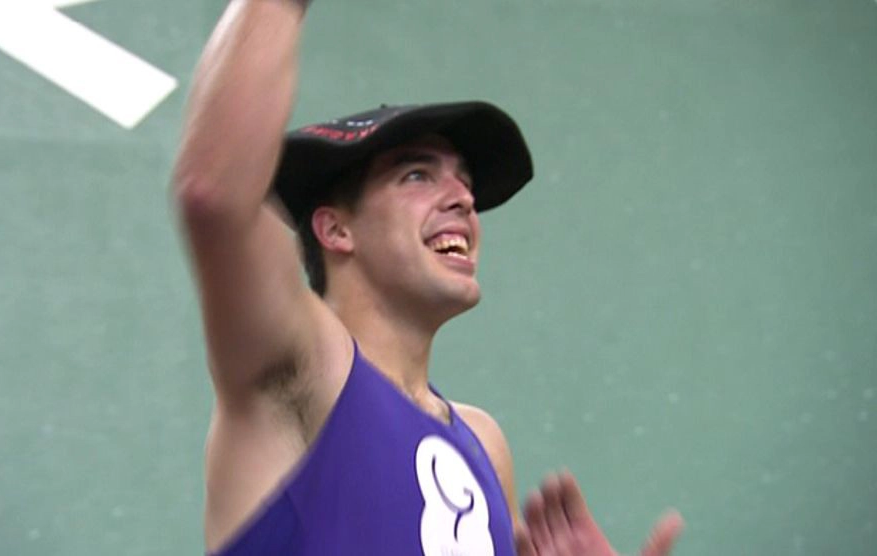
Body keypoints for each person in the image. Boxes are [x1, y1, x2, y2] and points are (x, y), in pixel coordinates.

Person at [172, 1, 684, 554]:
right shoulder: (305, 368)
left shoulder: (483, 443)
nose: (463, 198)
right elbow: (215, 196)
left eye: (465, 182)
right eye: (417, 174)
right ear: (335, 229)